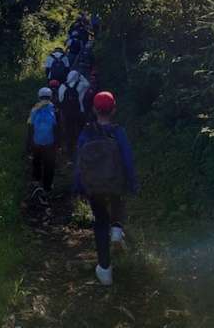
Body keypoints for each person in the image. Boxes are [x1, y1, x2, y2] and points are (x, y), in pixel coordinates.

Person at [74, 91, 138, 286]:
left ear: (94, 110)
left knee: (100, 221)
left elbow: (79, 162)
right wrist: (132, 183)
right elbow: (127, 159)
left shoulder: (86, 132)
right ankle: (117, 229)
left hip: (94, 185)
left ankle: (104, 269)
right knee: (118, 202)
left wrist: (78, 186)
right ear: (114, 110)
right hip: (115, 181)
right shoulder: (118, 132)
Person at [27, 87, 60, 205]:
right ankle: (47, 186)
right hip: (50, 143)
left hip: (36, 142)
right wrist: (58, 143)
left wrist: (29, 143)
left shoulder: (35, 108)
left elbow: (30, 126)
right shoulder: (54, 109)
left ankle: (36, 180)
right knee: (49, 164)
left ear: (39, 96)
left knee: (36, 160)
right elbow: (58, 127)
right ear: (50, 96)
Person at [58, 70, 90, 158]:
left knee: (69, 132)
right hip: (80, 111)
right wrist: (81, 76)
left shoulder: (62, 86)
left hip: (67, 113)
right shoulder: (81, 85)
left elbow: (60, 99)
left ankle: (70, 153)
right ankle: (82, 150)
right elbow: (88, 84)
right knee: (81, 131)